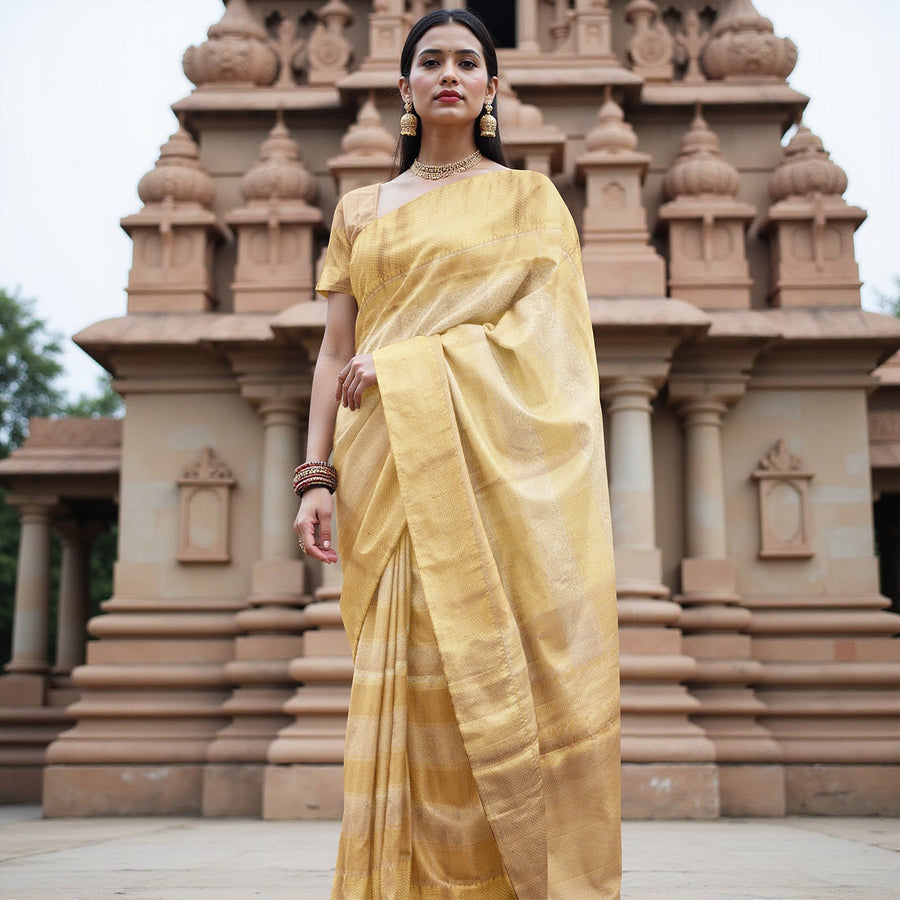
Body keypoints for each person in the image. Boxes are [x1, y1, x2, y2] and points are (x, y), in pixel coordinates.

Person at [293, 9, 620, 899]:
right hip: (385, 465)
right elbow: (332, 352)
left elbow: (550, 341)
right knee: (403, 678)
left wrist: (409, 363)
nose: (449, 72)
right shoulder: (360, 210)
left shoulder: (529, 200)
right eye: (429, 60)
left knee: (495, 670)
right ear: (403, 89)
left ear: (490, 88)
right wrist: (315, 477)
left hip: (488, 472)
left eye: (467, 61)